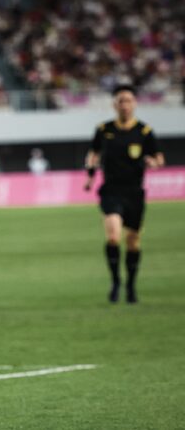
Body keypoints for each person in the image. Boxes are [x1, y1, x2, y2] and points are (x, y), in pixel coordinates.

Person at [84, 84, 165, 304]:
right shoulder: (104, 130)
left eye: (128, 100)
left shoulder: (144, 131)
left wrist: (153, 162)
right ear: (114, 105)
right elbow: (93, 154)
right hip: (111, 191)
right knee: (113, 236)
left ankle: (131, 286)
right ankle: (115, 282)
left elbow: (159, 158)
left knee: (133, 242)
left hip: (134, 193)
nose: (125, 105)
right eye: (121, 101)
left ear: (135, 103)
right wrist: (90, 176)